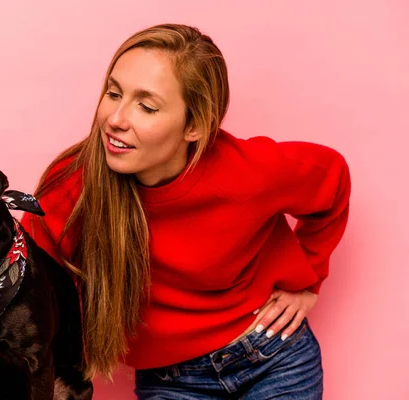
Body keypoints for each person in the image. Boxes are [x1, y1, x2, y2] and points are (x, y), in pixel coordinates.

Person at [20, 23, 351, 399]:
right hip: (170, 382)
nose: (116, 119)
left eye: (146, 106)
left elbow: (332, 177)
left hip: (272, 358)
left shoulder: (247, 172)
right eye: (114, 93)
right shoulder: (71, 189)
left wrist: (309, 281)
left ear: (194, 125)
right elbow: (14, 302)